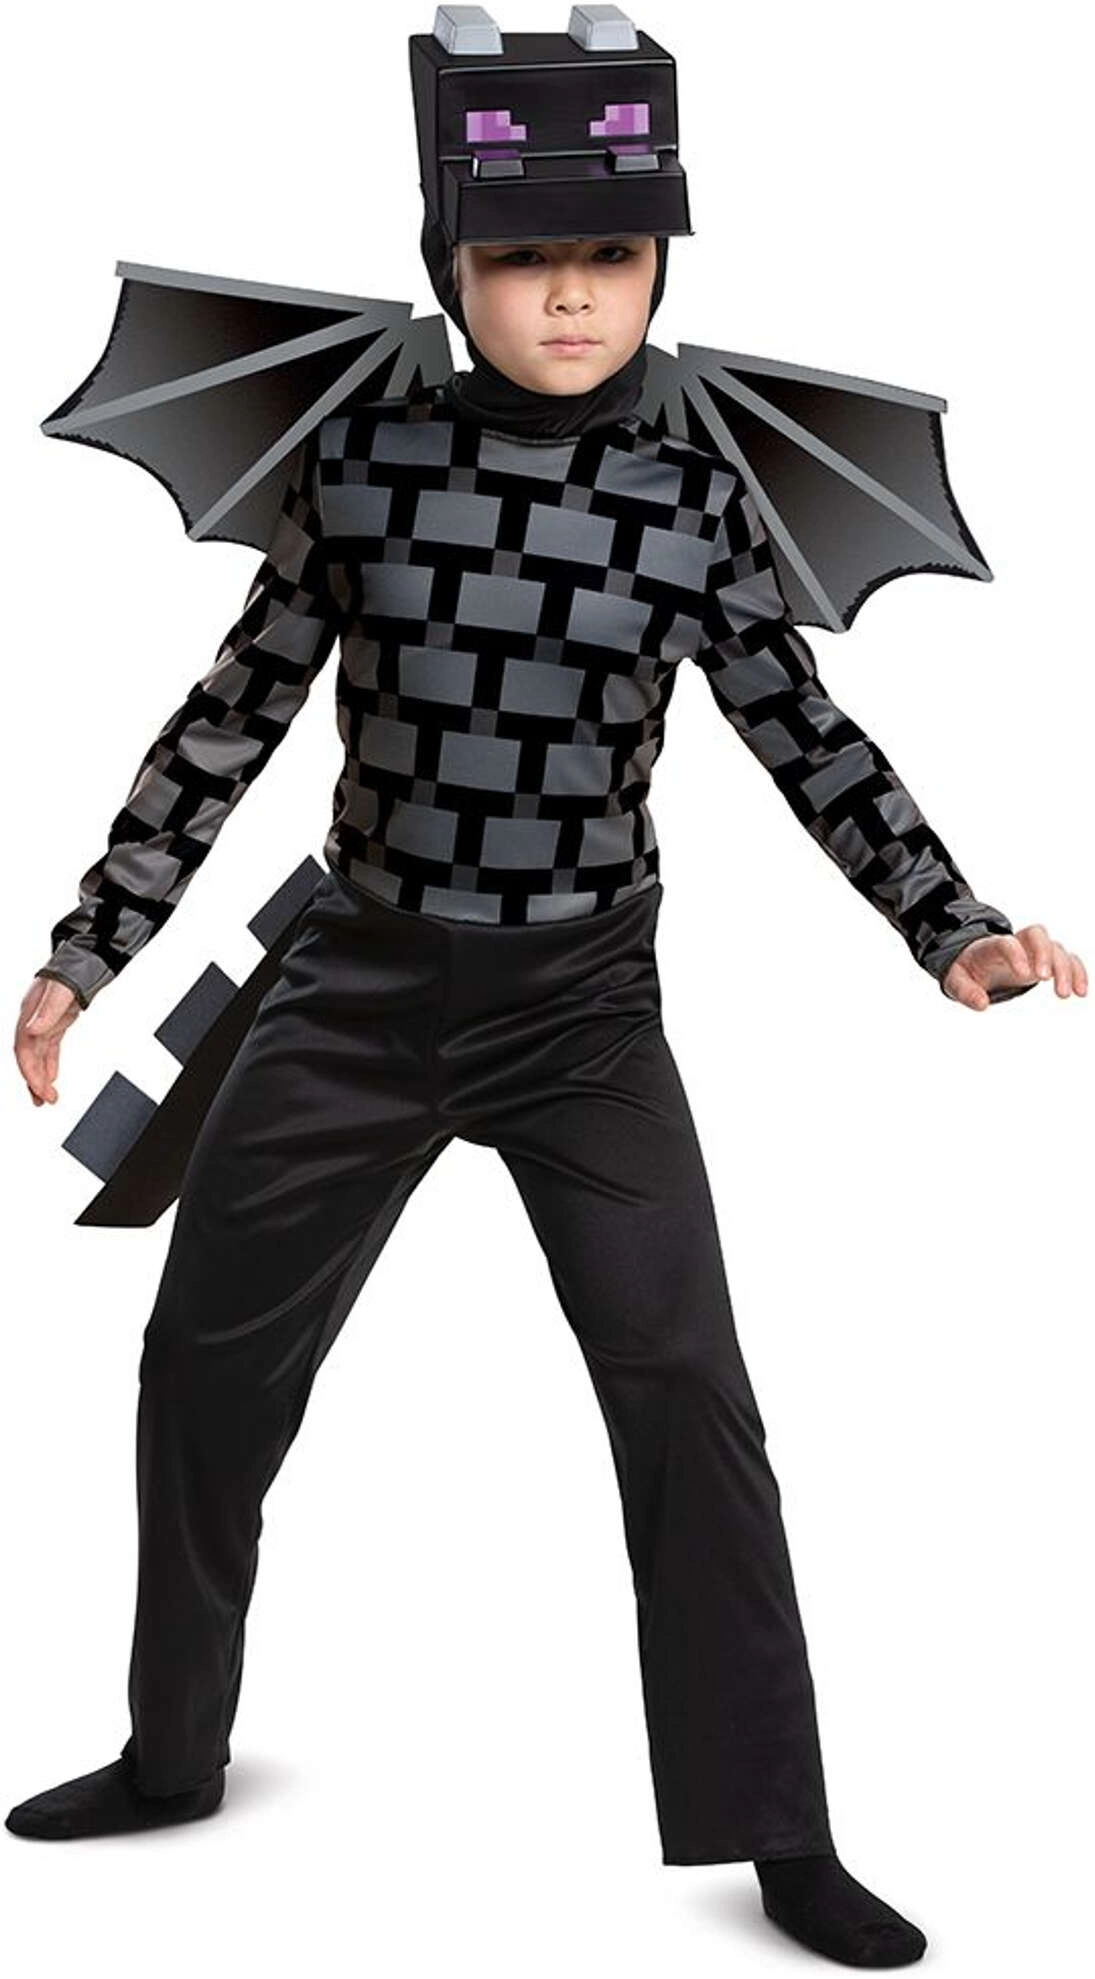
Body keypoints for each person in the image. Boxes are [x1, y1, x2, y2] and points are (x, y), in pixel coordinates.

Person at [7, 24, 1086, 1971]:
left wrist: (952, 924)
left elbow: (805, 735)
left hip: (581, 1009)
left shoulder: (693, 499)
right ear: (449, 265)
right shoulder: (356, 461)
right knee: (203, 1363)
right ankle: (172, 1748)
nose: (571, 293)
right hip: (351, 985)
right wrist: (93, 946)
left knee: (687, 1391)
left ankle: (779, 1830)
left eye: (611, 253)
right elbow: (227, 722)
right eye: (521, 256)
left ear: (662, 265)